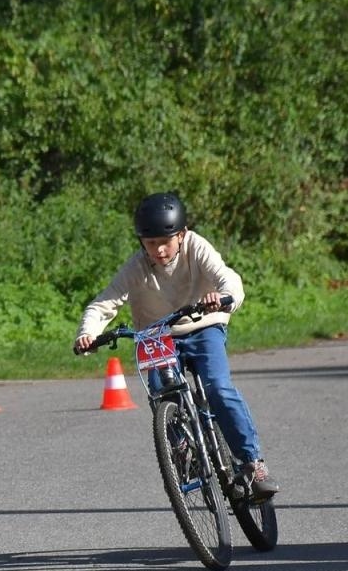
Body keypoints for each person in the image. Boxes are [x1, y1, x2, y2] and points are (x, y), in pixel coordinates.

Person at [73, 191, 281, 499]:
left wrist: (222, 300)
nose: (157, 250)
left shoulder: (196, 247)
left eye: (164, 241)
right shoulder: (137, 266)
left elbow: (229, 280)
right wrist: (87, 333)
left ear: (181, 235)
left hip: (202, 326)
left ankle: (252, 463)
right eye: (149, 242)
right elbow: (105, 302)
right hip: (157, 336)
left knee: (218, 389)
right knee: (163, 396)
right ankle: (181, 447)